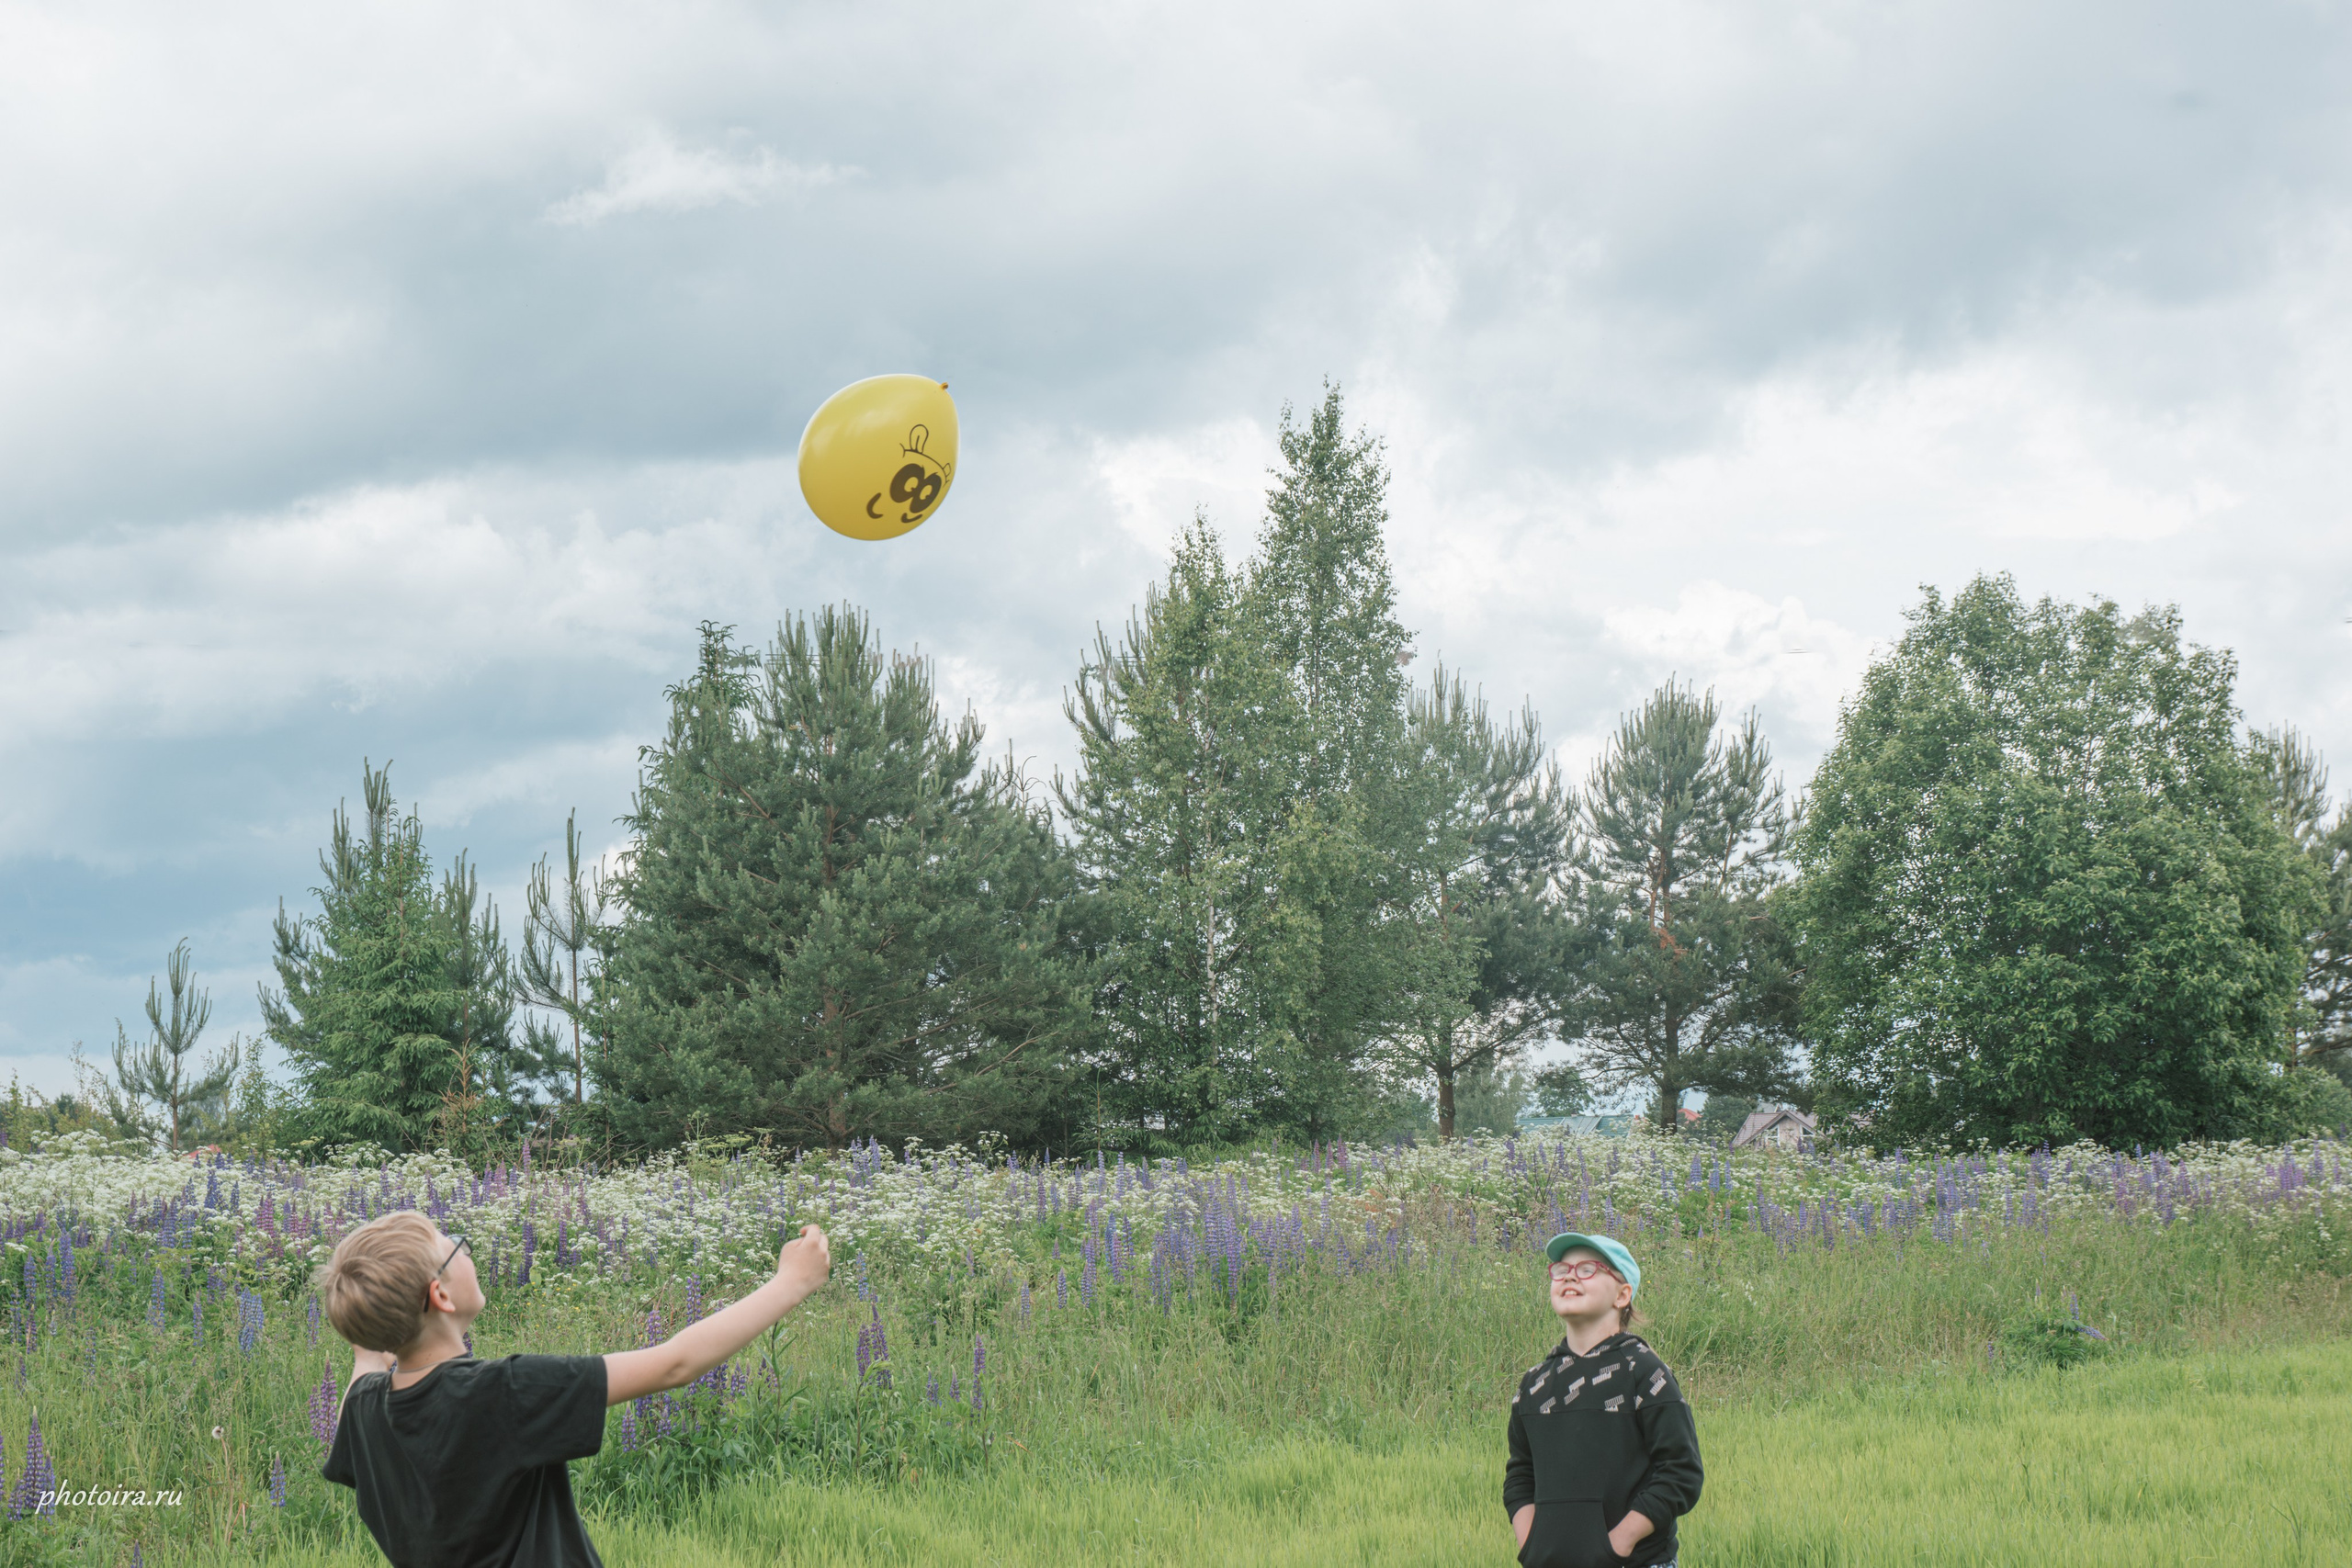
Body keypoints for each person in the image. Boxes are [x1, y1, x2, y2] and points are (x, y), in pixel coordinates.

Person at [315, 1207, 831, 1567]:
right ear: (441, 1294)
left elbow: (361, 1377)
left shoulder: (366, 1410)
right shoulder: (506, 1391)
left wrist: (368, 1345)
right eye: (457, 1250)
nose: (466, 1253)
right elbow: (676, 1363)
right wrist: (793, 1282)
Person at [1503, 1232, 1702, 1567]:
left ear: (1622, 1295)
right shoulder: (1535, 1384)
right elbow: (1521, 1476)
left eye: (1587, 1269)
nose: (1569, 1275)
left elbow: (1680, 1473)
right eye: (1562, 1268)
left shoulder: (1644, 1372)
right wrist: (1531, 1542)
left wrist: (1618, 1544)